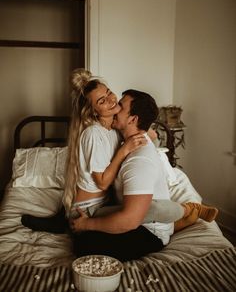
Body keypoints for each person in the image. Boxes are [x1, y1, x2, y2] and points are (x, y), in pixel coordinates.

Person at [22, 69, 218, 235]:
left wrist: (143, 129)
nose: (111, 100)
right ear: (93, 112)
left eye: (109, 93)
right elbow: (103, 181)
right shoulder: (93, 134)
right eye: (101, 101)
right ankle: (188, 211)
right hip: (89, 209)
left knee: (144, 210)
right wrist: (124, 150)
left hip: (102, 203)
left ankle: (185, 215)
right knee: (151, 209)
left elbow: (152, 134)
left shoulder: (115, 128)